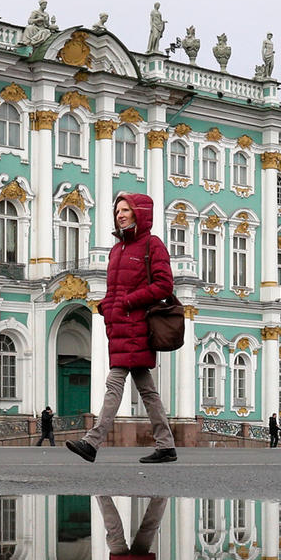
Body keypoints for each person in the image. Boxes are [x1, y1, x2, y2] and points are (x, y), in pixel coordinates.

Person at [68, 193, 177, 464]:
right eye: (118, 210)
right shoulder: (117, 249)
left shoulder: (152, 245)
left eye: (126, 210)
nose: (120, 214)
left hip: (137, 325)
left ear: (139, 213)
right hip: (119, 325)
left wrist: (128, 301)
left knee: (114, 381)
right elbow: (114, 288)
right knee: (147, 389)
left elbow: (164, 285)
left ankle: (92, 442)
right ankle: (166, 445)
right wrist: (107, 306)